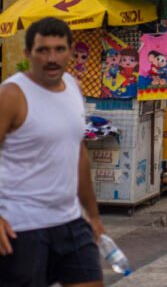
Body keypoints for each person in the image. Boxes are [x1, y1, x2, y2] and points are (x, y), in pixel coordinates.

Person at [0, 17, 105, 287]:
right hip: (21, 226)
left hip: (69, 221)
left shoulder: (72, 86)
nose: (52, 58)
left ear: (70, 51)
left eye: (59, 49)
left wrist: (92, 215)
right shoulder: (12, 95)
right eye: (43, 50)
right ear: (28, 54)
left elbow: (78, 153)